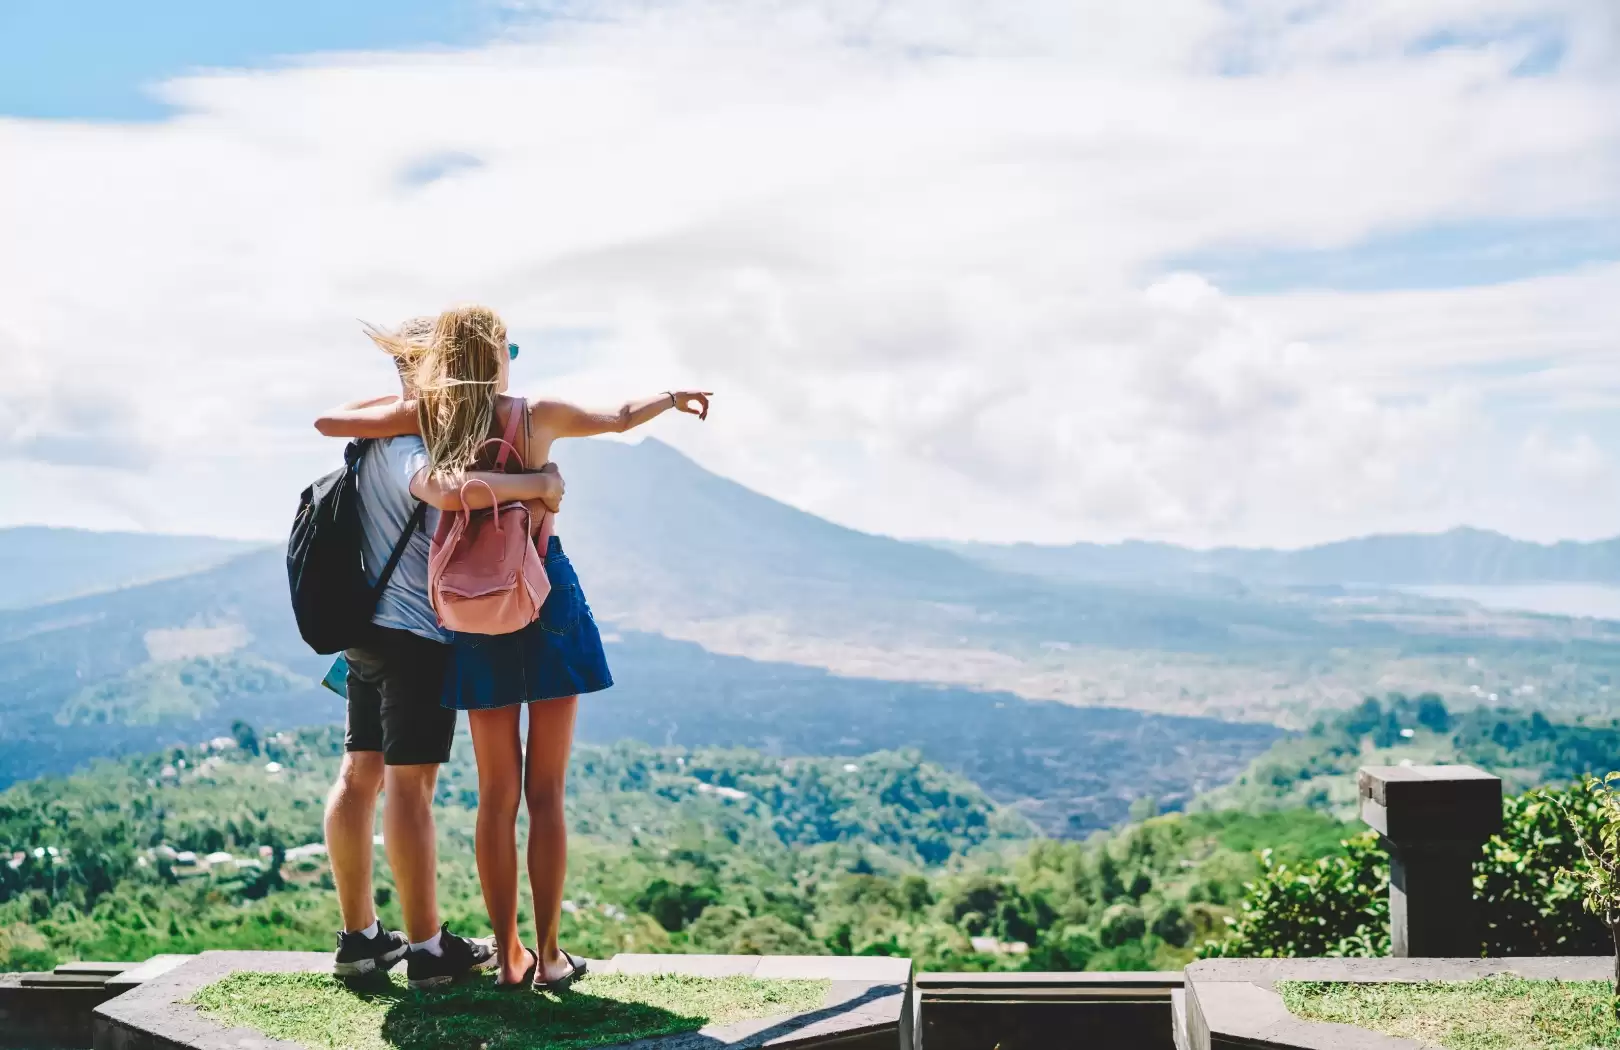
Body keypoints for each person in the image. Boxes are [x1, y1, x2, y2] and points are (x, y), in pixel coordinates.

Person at [316, 304, 710, 990]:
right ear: (498, 355)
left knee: (494, 796)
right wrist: (671, 398)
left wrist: (418, 398)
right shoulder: (535, 413)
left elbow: (334, 421)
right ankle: (549, 954)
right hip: (542, 601)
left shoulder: (434, 425)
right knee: (545, 793)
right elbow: (617, 415)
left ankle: (508, 954)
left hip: (471, 616)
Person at [317, 316, 569, 990]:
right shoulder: (409, 443)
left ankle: (361, 937)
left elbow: (327, 422)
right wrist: (538, 485)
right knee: (410, 784)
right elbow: (448, 490)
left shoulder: (369, 439)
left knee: (358, 771)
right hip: (413, 636)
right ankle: (428, 950)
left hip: (361, 630)